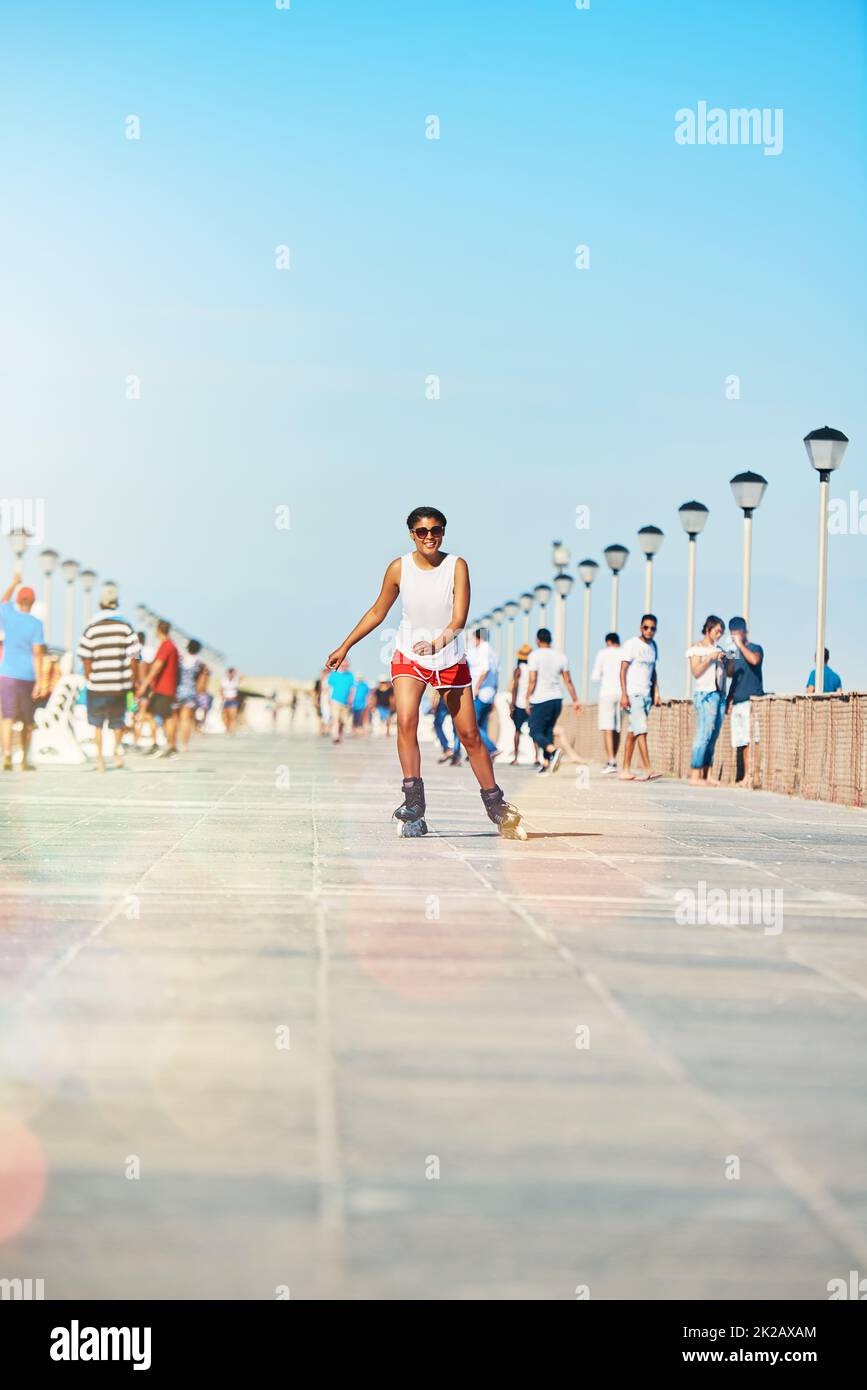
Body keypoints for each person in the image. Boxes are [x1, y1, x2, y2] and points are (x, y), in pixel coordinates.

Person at [325, 506, 526, 838]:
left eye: (436, 530)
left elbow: (459, 619)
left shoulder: (456, 566)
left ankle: (496, 805)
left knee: (470, 736)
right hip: (408, 653)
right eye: (422, 531)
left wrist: (436, 644)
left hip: (448, 655)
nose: (429, 536)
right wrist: (345, 645)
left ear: (443, 532)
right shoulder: (399, 568)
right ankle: (414, 803)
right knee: (406, 720)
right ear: (411, 534)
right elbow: (378, 611)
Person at [77, 582, 141, 772]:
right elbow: (135, 656)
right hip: (119, 685)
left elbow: (85, 657)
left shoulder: (91, 628)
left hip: (97, 685)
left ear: (100, 604)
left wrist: (90, 676)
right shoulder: (126, 627)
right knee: (117, 722)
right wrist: (133, 680)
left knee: (97, 723)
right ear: (116, 603)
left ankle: (100, 761)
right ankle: (115, 752)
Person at [0, 572, 47, 772]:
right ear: (33, 602)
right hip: (27, 675)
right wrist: (40, 681)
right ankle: (25, 760)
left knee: (8, 716)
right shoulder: (36, 624)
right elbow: (38, 653)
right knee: (28, 719)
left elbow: (3, 600)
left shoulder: (9, 615)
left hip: (7, 673)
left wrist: (14, 583)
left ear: (18, 600)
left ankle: (8, 755)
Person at [526, 628, 581, 775]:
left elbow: (532, 679)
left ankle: (554, 751)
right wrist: (575, 700)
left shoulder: (534, 655)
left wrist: (527, 698)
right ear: (550, 640)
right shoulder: (561, 657)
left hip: (541, 698)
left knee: (533, 730)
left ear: (537, 640)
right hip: (557, 699)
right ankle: (546, 763)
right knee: (548, 729)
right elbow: (568, 680)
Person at [619, 614, 661, 781]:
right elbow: (622, 670)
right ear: (640, 627)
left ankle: (625, 770)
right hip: (634, 692)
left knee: (633, 732)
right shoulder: (631, 644)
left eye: (652, 628)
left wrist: (656, 692)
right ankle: (648, 768)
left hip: (647, 694)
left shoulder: (653, 646)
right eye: (646, 627)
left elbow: (654, 671)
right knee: (641, 729)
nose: (649, 631)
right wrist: (624, 694)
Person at [686, 615, 726, 785]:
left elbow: (727, 673)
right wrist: (710, 657)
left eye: (721, 632)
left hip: (719, 694)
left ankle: (707, 775)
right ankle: (695, 775)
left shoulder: (720, 649)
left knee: (713, 735)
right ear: (708, 629)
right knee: (703, 734)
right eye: (717, 631)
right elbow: (695, 671)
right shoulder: (697, 649)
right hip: (704, 694)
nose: (719, 635)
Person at [725, 616, 763, 785]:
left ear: (744, 631)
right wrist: (732, 653)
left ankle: (752, 776)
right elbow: (730, 674)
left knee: (752, 740)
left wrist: (740, 645)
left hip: (752, 701)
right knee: (740, 741)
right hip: (738, 702)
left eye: (737, 632)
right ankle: (744, 776)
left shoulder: (755, 648)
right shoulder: (734, 652)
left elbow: (755, 660)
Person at [137, 619, 180, 758]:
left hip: (164, 688)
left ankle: (171, 747)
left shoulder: (166, 646)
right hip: (164, 687)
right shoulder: (171, 646)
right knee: (150, 713)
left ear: (158, 630)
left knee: (167, 717)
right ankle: (157, 744)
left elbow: (157, 666)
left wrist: (144, 684)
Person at [591, 631, 622, 774]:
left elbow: (595, 676)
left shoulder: (602, 654)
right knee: (617, 728)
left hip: (607, 693)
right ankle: (614, 758)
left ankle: (611, 760)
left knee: (607, 727)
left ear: (607, 642)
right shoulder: (623, 652)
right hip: (622, 693)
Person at [466, 627, 499, 759]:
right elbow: (496, 676)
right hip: (490, 694)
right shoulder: (493, 652)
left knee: (471, 724)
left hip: (480, 694)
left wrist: (476, 687)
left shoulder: (483, 650)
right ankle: (484, 753)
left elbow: (485, 670)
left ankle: (491, 748)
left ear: (479, 638)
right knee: (482, 726)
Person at [176, 640, 208, 750]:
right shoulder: (200, 664)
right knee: (186, 719)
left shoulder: (180, 659)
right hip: (190, 692)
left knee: (176, 718)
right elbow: (201, 684)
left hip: (177, 691)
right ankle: (184, 744)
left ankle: (174, 741)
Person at [508, 643, 533, 764]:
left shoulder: (518, 670)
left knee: (517, 731)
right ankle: (537, 757)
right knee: (534, 730)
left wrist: (512, 705)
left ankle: (516, 758)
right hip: (531, 703)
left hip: (519, 703)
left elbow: (515, 688)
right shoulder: (533, 670)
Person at [327, 659, 354, 744]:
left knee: (342, 721)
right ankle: (335, 736)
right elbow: (329, 687)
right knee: (335, 719)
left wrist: (351, 699)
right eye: (343, 665)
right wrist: (329, 698)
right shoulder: (334, 674)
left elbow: (352, 688)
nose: (344, 667)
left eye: (346, 665)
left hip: (345, 702)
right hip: (335, 699)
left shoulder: (350, 675)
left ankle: (340, 735)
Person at [432, 687, 461, 763]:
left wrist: (435, 698)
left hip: (445, 695)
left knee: (437, 724)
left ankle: (447, 749)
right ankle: (456, 755)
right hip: (456, 695)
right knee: (456, 727)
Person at [221, 668, 240, 733]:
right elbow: (221, 690)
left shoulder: (236, 680)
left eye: (232, 673)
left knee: (233, 716)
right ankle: (227, 729)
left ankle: (232, 730)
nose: (231, 674)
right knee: (225, 716)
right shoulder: (224, 680)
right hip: (225, 700)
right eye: (230, 673)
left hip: (233, 700)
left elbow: (237, 690)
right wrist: (223, 698)